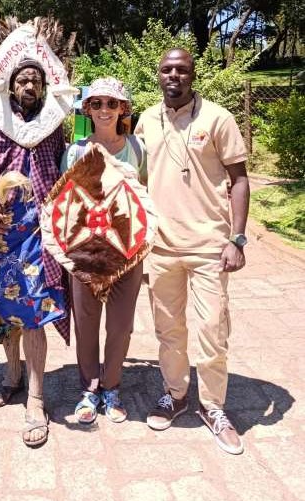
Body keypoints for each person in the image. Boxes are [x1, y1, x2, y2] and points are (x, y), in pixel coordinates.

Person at [0, 18, 77, 448]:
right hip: (0, 241)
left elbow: (63, 180)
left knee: (36, 313)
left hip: (39, 239)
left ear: (43, 88)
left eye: (34, 81)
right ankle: (12, 375)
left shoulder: (52, 131)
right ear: (9, 85)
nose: (28, 86)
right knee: (9, 312)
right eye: (21, 80)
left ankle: (37, 398)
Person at [134, 48, 250, 455]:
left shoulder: (218, 118)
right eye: (166, 69)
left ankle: (213, 406)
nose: (174, 76)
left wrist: (237, 239)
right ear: (158, 74)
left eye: (182, 70)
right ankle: (176, 394)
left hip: (209, 247)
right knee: (169, 330)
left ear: (193, 75)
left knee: (212, 331)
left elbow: (239, 180)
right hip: (161, 246)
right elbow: (133, 178)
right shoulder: (145, 120)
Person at [60, 77, 147, 424]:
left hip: (128, 250)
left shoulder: (137, 149)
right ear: (88, 110)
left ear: (123, 108)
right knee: (87, 321)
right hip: (86, 250)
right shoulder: (76, 151)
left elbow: (145, 199)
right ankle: (88, 389)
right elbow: (66, 203)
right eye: (97, 104)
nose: (104, 110)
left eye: (112, 104)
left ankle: (111, 387)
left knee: (121, 325)